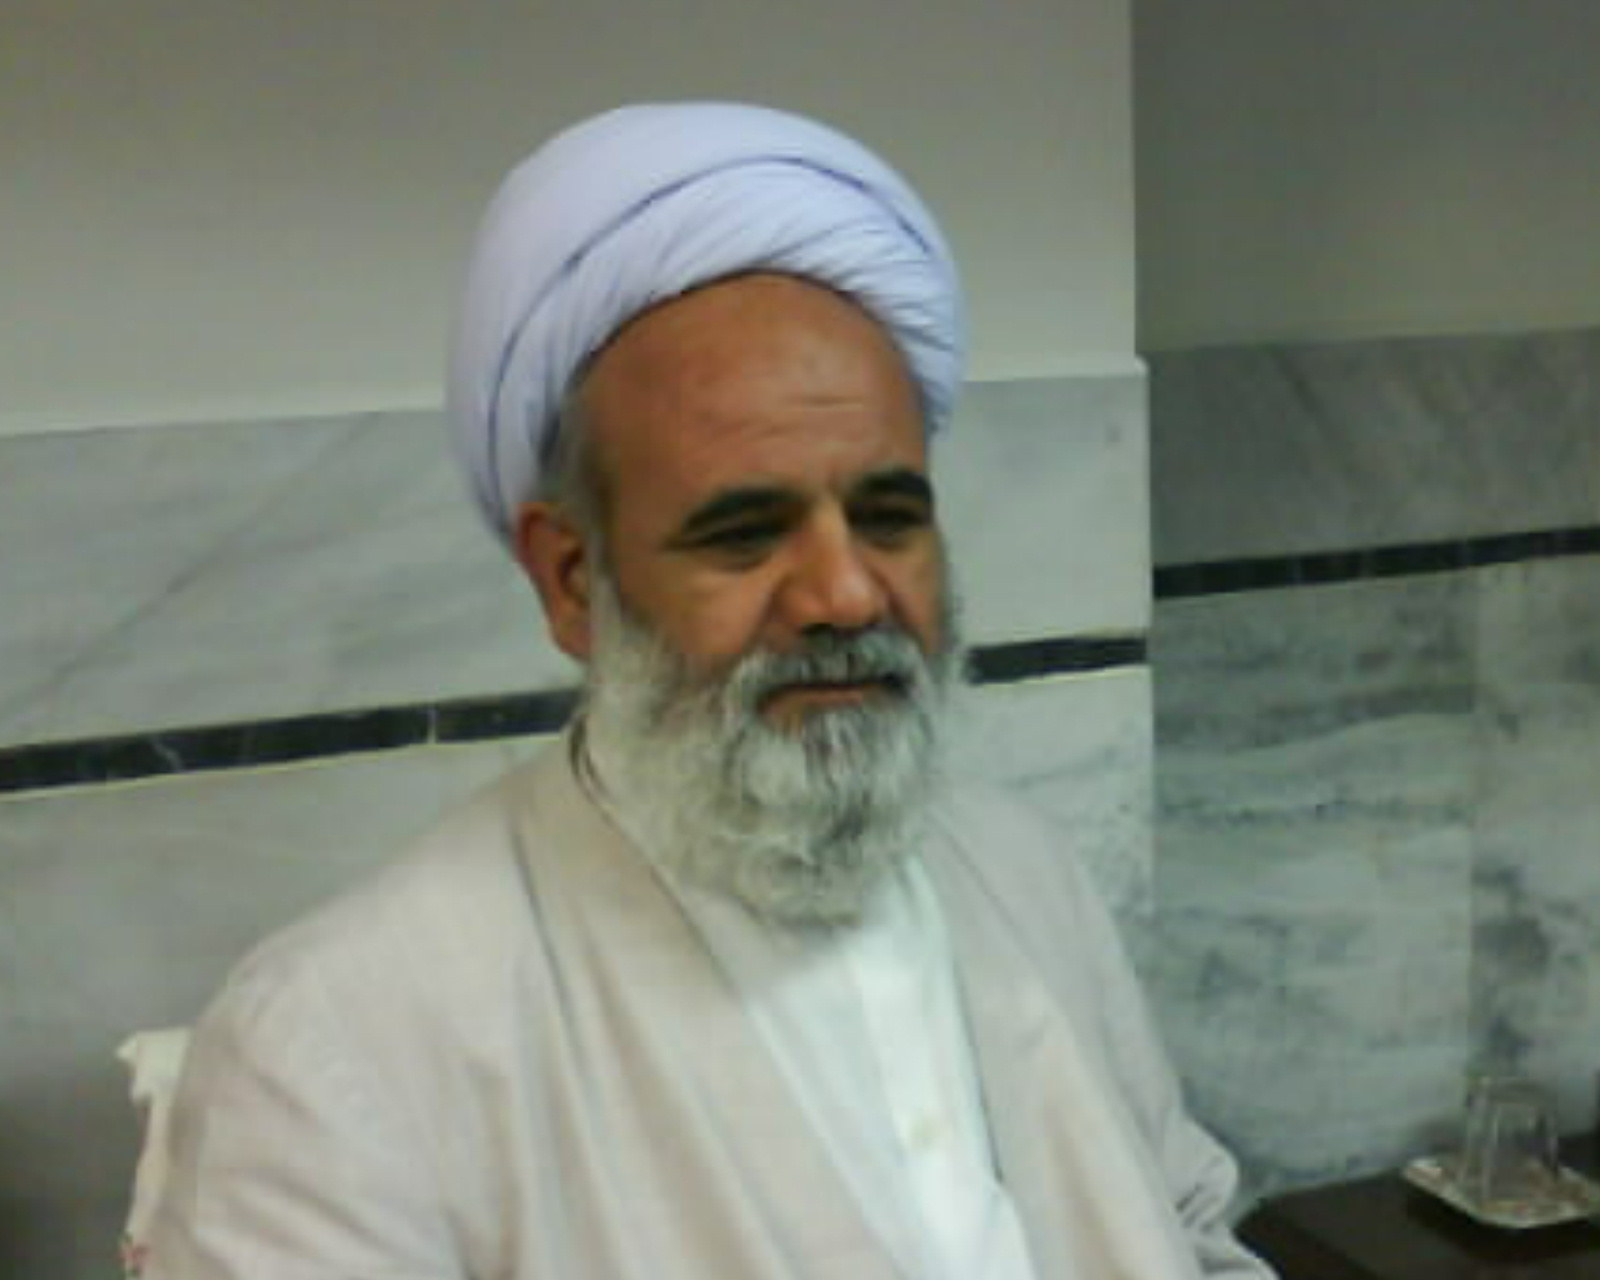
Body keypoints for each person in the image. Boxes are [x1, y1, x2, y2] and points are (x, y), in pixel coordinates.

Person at [147, 103, 1272, 1279]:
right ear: (572, 580)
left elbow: (1188, 1232)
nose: (845, 592)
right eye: (744, 532)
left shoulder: (1023, 870)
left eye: (888, 516)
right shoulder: (339, 1044)